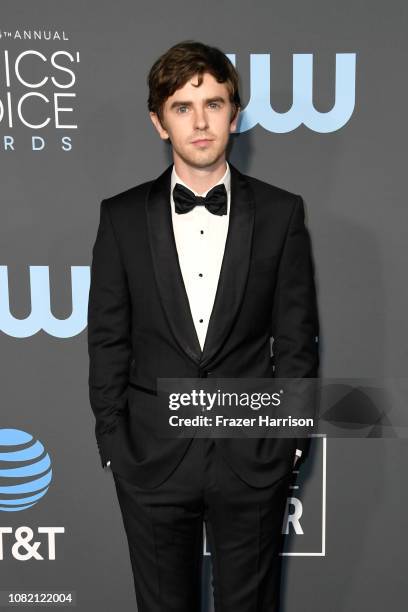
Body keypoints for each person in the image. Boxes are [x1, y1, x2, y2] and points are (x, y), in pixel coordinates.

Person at [87, 39, 319, 612]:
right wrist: (114, 440)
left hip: (251, 455)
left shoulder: (282, 212)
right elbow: (108, 340)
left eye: (214, 104)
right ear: (159, 122)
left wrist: (286, 442)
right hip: (152, 458)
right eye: (182, 107)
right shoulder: (120, 217)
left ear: (234, 115)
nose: (200, 121)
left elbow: (296, 340)